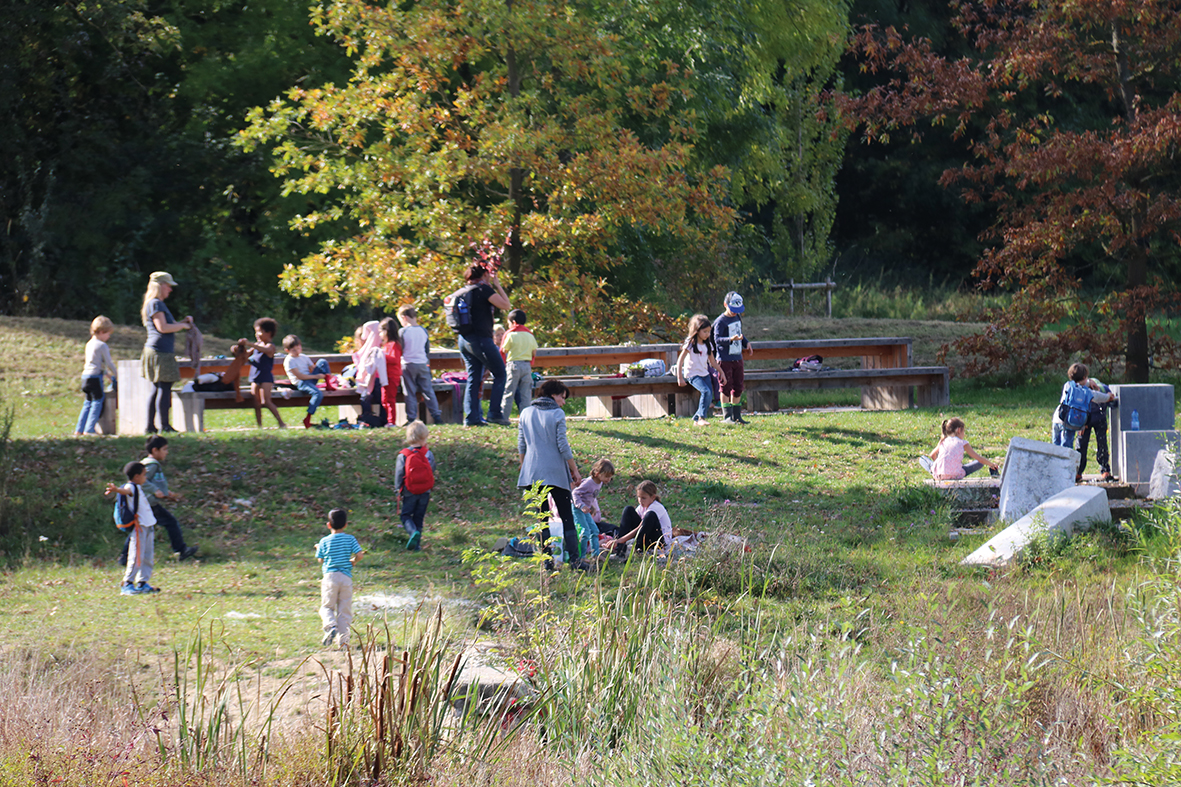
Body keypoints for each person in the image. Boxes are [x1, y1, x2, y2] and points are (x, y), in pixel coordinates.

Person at [517, 379, 588, 570]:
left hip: (533, 474)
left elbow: (521, 445)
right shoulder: (557, 414)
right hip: (555, 473)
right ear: (553, 395)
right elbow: (563, 445)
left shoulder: (525, 413)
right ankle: (575, 561)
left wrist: (524, 467)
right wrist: (574, 470)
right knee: (566, 516)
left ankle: (547, 563)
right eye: (562, 397)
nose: (563, 402)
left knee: (542, 519)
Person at [118, 435, 198, 565]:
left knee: (140, 529)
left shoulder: (149, 463)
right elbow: (141, 481)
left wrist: (166, 493)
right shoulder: (151, 465)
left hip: (148, 503)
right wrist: (155, 490)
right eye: (164, 449)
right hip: (148, 504)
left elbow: (152, 482)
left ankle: (125, 557)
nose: (167, 452)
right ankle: (181, 550)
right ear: (155, 450)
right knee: (169, 523)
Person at [454, 264, 512, 427]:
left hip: (464, 340)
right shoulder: (483, 289)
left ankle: (471, 418)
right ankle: (494, 413)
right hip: (481, 339)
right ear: (485, 274)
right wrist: (497, 285)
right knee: (500, 373)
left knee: (474, 376)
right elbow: (506, 305)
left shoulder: (464, 291)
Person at [140, 271, 194, 434]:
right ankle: (164, 426)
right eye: (168, 286)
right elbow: (162, 328)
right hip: (160, 352)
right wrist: (183, 326)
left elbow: (168, 325)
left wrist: (182, 322)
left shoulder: (154, 303)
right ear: (160, 286)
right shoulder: (156, 303)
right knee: (164, 388)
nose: (170, 289)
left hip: (157, 351)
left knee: (157, 389)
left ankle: (150, 426)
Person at [105, 461, 161, 595]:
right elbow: (126, 491)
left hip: (148, 525)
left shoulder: (138, 487)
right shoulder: (131, 487)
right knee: (136, 556)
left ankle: (142, 582)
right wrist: (116, 490)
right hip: (139, 527)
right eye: (144, 475)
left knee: (147, 556)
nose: (145, 477)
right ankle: (127, 583)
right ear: (136, 476)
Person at [314, 508, 363, 649]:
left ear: (328, 525)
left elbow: (320, 559)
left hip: (330, 578)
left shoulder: (324, 541)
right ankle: (344, 643)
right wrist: (353, 561)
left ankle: (330, 626)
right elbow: (360, 555)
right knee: (344, 611)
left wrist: (318, 548)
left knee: (327, 607)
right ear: (346, 525)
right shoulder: (350, 539)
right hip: (346, 578)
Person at [605, 480, 691, 553]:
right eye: (639, 497)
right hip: (645, 535)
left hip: (658, 540)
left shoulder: (656, 507)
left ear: (653, 497)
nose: (640, 501)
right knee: (628, 510)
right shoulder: (642, 507)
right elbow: (633, 523)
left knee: (650, 515)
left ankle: (638, 548)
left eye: (643, 498)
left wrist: (620, 540)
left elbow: (640, 527)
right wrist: (620, 539)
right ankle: (619, 547)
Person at [397, 305, 444, 424]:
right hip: (422, 363)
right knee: (428, 391)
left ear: (404, 317)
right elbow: (426, 349)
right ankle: (436, 415)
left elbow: (400, 349)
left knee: (409, 392)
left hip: (408, 363)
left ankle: (411, 417)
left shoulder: (403, 331)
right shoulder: (423, 330)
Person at [676, 314, 726, 426]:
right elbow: (680, 361)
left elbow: (713, 362)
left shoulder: (708, 345)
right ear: (697, 330)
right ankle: (701, 418)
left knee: (709, 394)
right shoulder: (690, 344)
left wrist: (721, 372)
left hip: (704, 373)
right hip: (692, 374)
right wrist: (680, 377)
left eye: (709, 332)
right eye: (705, 332)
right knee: (706, 391)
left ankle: (697, 418)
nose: (707, 334)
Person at [713, 292, 754, 424]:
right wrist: (730, 339)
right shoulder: (721, 321)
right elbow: (717, 340)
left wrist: (746, 343)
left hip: (737, 357)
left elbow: (740, 334)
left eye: (738, 310)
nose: (735, 312)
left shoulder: (737, 318)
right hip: (725, 359)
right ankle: (727, 417)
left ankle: (737, 416)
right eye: (733, 309)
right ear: (725, 305)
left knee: (738, 386)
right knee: (725, 387)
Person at [1052, 363, 1115, 450]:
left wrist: (1088, 382)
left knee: (1055, 446)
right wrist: (1108, 397)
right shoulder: (1086, 392)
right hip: (1069, 423)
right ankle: (1064, 459)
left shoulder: (1067, 385)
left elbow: (1077, 384)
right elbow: (1097, 396)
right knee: (1066, 448)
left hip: (1058, 418)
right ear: (1084, 377)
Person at [395, 420, 437, 551]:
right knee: (419, 517)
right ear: (425, 437)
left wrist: (398, 489)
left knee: (406, 515)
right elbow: (432, 469)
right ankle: (417, 546)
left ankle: (412, 532)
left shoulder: (404, 455)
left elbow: (399, 473)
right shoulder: (428, 453)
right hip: (425, 491)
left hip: (409, 491)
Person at [75, 315, 118, 435]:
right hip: (95, 377)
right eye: (108, 334)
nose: (108, 337)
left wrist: (107, 375)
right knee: (97, 402)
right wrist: (117, 374)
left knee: (87, 403)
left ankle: (79, 429)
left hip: (85, 377)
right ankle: (90, 429)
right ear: (101, 332)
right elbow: (108, 362)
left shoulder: (89, 344)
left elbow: (95, 363)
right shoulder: (102, 345)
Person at [918, 417, 1000, 480]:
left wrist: (941, 466)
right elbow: (980, 459)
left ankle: (937, 470)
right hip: (957, 475)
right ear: (959, 430)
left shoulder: (943, 440)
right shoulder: (963, 443)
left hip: (939, 475)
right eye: (963, 431)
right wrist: (991, 465)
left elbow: (932, 455)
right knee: (979, 463)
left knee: (922, 459)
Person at [282, 334, 334, 428]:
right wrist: (316, 376)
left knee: (322, 362)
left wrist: (322, 373)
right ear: (287, 350)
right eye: (294, 350)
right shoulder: (289, 360)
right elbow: (300, 376)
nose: (297, 351)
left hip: (310, 379)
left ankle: (328, 383)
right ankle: (308, 418)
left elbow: (313, 368)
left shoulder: (303, 357)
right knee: (317, 393)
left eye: (298, 348)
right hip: (301, 383)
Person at [244, 317, 286, 428]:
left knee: (266, 401)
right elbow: (246, 355)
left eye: (259, 331)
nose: (256, 334)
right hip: (255, 376)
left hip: (266, 377)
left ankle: (281, 423)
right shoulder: (256, 346)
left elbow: (266, 350)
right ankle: (259, 426)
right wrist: (239, 348)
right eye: (256, 332)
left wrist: (250, 344)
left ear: (269, 333)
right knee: (256, 403)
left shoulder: (270, 346)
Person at [572, 458, 614, 558]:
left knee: (594, 531)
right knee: (585, 532)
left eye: (610, 477)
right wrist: (582, 505)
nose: (608, 479)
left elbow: (589, 496)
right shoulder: (589, 483)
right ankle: (581, 557)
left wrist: (590, 506)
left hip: (586, 509)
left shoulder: (599, 482)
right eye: (607, 476)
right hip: (578, 509)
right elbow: (575, 493)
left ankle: (595, 554)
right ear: (597, 473)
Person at [500, 309, 539, 418]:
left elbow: (504, 349)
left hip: (513, 365)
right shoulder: (530, 335)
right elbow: (534, 352)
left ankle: (504, 416)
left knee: (509, 392)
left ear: (513, 322)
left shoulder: (511, 335)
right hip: (526, 366)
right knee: (526, 394)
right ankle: (526, 418)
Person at [1077, 377, 1113, 482]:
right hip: (1089, 418)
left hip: (1093, 418)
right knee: (1100, 443)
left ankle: (1078, 471)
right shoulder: (1085, 389)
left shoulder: (1082, 389)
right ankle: (1104, 469)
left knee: (1083, 444)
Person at [353, 321, 388, 424]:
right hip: (366, 382)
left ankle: (383, 420)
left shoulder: (377, 349)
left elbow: (375, 324)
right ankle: (367, 418)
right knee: (365, 397)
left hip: (378, 379)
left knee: (381, 395)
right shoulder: (358, 354)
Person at [379, 317, 403, 426]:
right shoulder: (385, 345)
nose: (380, 335)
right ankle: (387, 420)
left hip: (392, 376)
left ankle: (391, 421)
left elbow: (394, 359)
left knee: (390, 399)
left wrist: (382, 356)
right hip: (385, 376)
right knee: (384, 400)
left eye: (381, 332)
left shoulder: (394, 344)